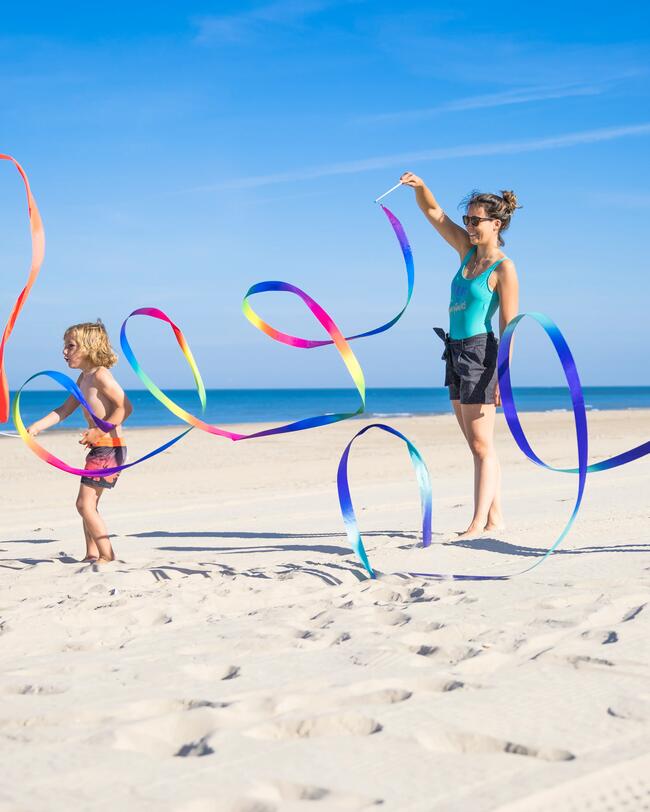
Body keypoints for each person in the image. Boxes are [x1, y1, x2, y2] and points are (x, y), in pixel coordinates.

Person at [400, 172, 520, 540]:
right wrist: (421, 188)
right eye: (467, 219)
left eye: (475, 220)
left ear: (495, 224)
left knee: (483, 445)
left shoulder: (504, 268)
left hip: (482, 354)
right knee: (476, 444)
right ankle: (495, 516)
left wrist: (503, 375)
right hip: (454, 350)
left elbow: (509, 324)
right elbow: (434, 213)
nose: (468, 226)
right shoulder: (465, 252)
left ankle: (478, 523)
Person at [27, 320, 132, 563]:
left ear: (89, 347)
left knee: (84, 504)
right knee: (89, 504)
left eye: (70, 346)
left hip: (109, 447)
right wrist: (37, 427)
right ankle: (91, 554)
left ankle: (107, 555)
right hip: (100, 448)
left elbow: (125, 407)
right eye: (65, 346)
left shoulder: (101, 376)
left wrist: (99, 431)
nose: (64, 352)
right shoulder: (83, 379)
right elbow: (64, 409)